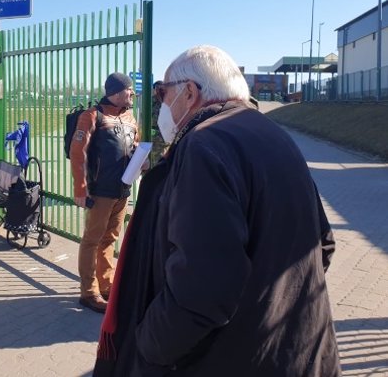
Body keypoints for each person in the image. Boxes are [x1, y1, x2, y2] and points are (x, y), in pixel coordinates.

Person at [94, 45, 340, 376]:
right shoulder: (275, 135)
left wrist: (147, 348)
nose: (160, 106)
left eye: (163, 94)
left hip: (236, 360)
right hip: (301, 352)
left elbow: (201, 289)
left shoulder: (204, 145)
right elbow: (323, 244)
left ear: (190, 93)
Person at [70, 72, 139, 314]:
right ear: (116, 92)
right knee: (92, 240)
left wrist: (141, 157)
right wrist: (80, 188)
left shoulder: (130, 117)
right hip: (100, 191)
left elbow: (135, 143)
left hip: (122, 190)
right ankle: (88, 292)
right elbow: (78, 153)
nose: (132, 94)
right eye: (129, 90)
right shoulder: (92, 116)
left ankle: (106, 284)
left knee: (110, 239)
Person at [150, 80, 167, 166]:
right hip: (155, 135)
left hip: (166, 135)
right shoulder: (150, 102)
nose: (159, 90)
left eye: (161, 88)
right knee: (154, 159)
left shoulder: (168, 101)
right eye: (157, 88)